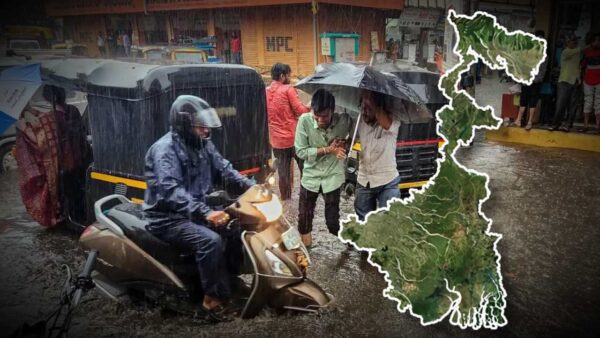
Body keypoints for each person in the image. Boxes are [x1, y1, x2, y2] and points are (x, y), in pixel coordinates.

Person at [143, 95, 254, 323]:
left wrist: (253, 187)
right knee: (210, 241)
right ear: (184, 125)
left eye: (206, 125)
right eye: (200, 126)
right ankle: (211, 300)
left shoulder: (203, 143)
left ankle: (228, 280)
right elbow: (171, 191)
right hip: (167, 217)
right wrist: (205, 212)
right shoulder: (165, 150)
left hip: (195, 208)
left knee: (236, 229)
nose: (206, 130)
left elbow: (224, 167)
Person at [295, 89, 351, 247]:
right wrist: (328, 150)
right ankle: (306, 257)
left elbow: (354, 138)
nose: (320, 119)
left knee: (332, 224)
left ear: (333, 111)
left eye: (324, 116)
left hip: (332, 178)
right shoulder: (304, 121)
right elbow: (300, 151)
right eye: (316, 115)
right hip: (310, 178)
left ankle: (352, 240)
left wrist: (344, 144)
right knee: (304, 222)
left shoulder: (345, 121)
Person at [354, 90, 401, 221]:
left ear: (378, 107)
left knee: (389, 221)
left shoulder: (393, 120)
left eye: (368, 109)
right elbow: (350, 139)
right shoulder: (360, 122)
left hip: (388, 181)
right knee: (363, 223)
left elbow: (387, 125)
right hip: (364, 180)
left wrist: (370, 100)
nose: (364, 112)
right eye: (363, 108)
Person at [266, 63, 311, 201]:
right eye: (288, 75)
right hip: (294, 139)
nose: (290, 78)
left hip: (277, 142)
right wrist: (310, 104)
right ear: (282, 76)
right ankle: (306, 197)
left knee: (283, 173)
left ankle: (286, 201)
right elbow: (301, 112)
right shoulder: (288, 89)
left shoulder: (265, 91)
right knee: (306, 170)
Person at [514, 30, 547, 130]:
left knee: (533, 102)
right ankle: (518, 120)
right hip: (526, 80)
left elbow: (543, 69)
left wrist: (537, 79)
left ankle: (529, 122)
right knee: (523, 100)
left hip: (535, 81)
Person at [550, 35, 582, 132]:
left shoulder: (578, 53)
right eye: (571, 41)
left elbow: (578, 67)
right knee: (560, 105)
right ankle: (555, 124)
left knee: (572, 105)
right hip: (564, 81)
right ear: (567, 43)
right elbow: (580, 50)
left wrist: (579, 78)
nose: (573, 43)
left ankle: (568, 125)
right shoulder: (566, 51)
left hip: (575, 81)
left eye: (575, 41)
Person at [581, 32, 600, 133]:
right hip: (588, 80)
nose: (598, 42)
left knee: (598, 103)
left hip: (598, 80)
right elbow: (581, 65)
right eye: (597, 40)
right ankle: (585, 125)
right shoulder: (586, 51)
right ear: (592, 41)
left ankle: (598, 126)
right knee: (588, 102)